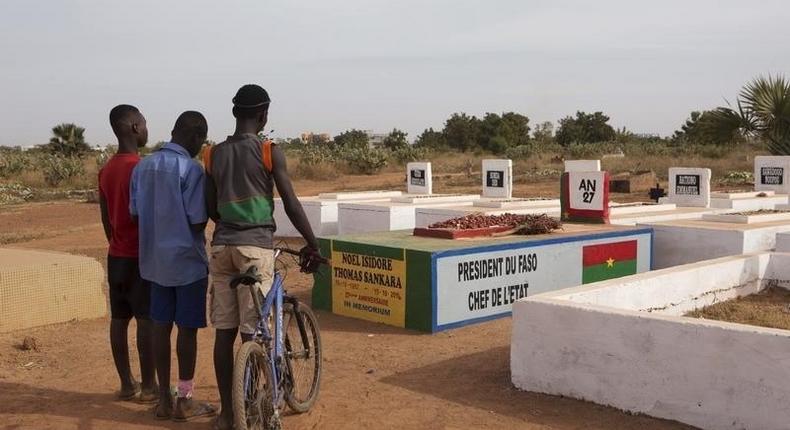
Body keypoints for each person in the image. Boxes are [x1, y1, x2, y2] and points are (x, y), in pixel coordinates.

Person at [204, 84, 322, 430]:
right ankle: (252, 410)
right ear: (264, 114)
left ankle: (227, 414)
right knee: (252, 333)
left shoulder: (211, 154)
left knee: (224, 333)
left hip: (222, 247)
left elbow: (211, 207)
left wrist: (231, 224)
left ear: (234, 113)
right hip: (254, 247)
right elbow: (290, 201)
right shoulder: (269, 151)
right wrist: (312, 244)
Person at [129, 111, 215, 422]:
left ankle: (163, 398)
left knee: (160, 328)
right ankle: (185, 398)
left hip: (154, 263)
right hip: (187, 264)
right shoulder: (190, 170)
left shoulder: (143, 166)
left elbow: (135, 213)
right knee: (187, 331)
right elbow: (197, 220)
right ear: (195, 138)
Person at [99, 104, 157, 403]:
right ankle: (149, 387)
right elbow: (148, 215)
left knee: (119, 319)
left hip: (116, 256)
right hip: (139, 257)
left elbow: (106, 218)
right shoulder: (141, 168)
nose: (147, 128)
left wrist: (116, 242)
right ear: (134, 128)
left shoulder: (106, 169)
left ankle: (126, 383)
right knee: (146, 319)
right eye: (145, 123)